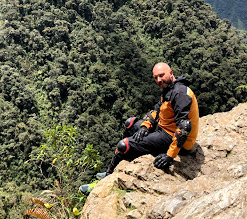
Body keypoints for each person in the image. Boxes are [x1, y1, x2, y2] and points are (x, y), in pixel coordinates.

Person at [80, 62, 199, 194]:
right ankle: (120, 162)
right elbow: (157, 111)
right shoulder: (170, 88)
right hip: (163, 129)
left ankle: (106, 180)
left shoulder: (180, 93)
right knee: (130, 124)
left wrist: (170, 156)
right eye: (156, 77)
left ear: (171, 73)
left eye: (161, 75)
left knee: (123, 145)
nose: (159, 80)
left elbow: (184, 127)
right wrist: (145, 127)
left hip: (173, 139)